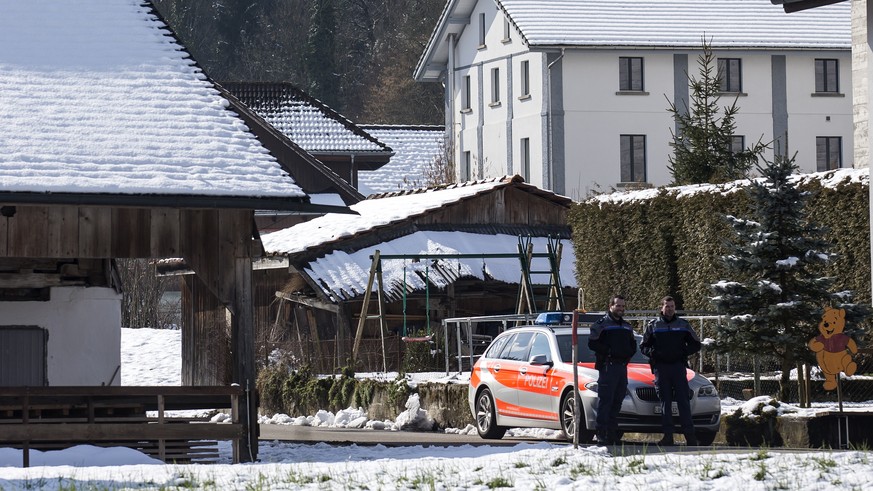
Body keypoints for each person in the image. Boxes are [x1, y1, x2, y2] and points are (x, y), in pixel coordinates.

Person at [640, 295, 702, 446]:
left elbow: (696, 344)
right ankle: (668, 436)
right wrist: (654, 354)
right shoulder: (653, 325)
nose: (670, 309)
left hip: (678, 367)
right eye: (667, 306)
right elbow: (643, 346)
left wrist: (683, 353)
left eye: (672, 306)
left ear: (675, 308)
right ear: (661, 307)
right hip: (661, 368)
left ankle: (690, 437)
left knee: (683, 402)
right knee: (665, 403)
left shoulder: (683, 325)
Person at [588, 294, 637, 445]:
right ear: (611, 306)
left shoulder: (627, 326)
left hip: (622, 367)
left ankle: (611, 432)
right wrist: (609, 351)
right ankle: (601, 433)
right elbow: (592, 343)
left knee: (618, 401)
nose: (621, 309)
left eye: (623, 306)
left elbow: (633, 345)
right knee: (606, 401)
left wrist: (628, 352)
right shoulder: (601, 324)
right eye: (618, 306)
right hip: (608, 367)